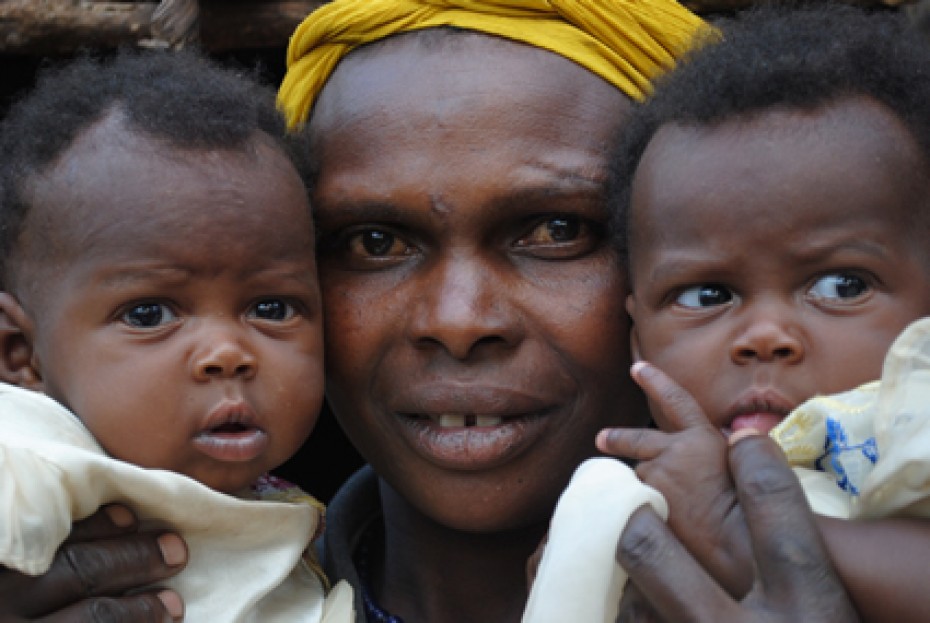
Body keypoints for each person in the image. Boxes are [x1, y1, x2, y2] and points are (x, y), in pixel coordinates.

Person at [0, 2, 862, 621]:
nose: (457, 319)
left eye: (557, 229)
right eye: (374, 241)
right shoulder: (110, 580)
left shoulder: (882, 572)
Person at [599, 4, 930, 621]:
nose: (765, 336)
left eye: (842, 284)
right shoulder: (656, 493)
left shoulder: (916, 409)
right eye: (706, 296)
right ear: (638, 343)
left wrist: (731, 533)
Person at [0, 50, 353, 621]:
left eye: (271, 307)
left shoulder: (302, 520)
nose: (227, 354)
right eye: (148, 315)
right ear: (20, 354)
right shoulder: (31, 455)